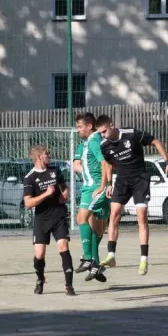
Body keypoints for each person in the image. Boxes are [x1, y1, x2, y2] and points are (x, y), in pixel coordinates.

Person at [95, 115, 168, 276]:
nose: (103, 135)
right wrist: (109, 184)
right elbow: (109, 164)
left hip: (140, 179)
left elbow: (156, 141)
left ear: (111, 125)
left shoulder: (131, 134)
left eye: (104, 131)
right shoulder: (105, 146)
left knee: (141, 217)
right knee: (114, 215)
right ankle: (111, 255)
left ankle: (144, 258)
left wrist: (167, 163)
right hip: (122, 181)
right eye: (100, 133)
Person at [23, 145, 76, 296]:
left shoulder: (55, 170)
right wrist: (46, 194)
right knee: (39, 254)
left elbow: (64, 187)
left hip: (58, 216)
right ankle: (40, 280)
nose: (49, 155)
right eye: (47, 153)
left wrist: (64, 195)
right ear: (39, 157)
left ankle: (69, 286)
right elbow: (28, 203)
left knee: (63, 247)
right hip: (42, 219)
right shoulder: (30, 177)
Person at [73, 112, 110, 282]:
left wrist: (103, 185)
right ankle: (93, 262)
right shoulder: (89, 141)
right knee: (89, 223)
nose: (78, 130)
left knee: (83, 219)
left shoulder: (95, 140)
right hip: (91, 186)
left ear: (89, 126)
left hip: (95, 187)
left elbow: (104, 163)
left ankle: (89, 259)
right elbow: (77, 165)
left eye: (80, 126)